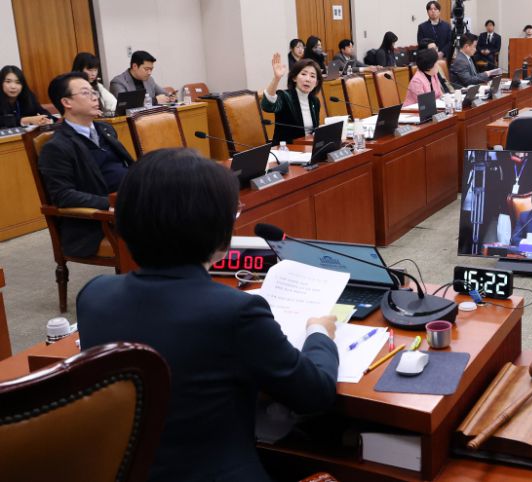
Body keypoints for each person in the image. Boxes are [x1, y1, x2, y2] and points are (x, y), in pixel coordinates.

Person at [77, 147, 339, 482]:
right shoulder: (235, 312)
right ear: (216, 228)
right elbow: (314, 394)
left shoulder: (94, 294)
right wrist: (319, 332)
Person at [38, 72, 134, 258]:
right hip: (101, 221)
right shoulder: (57, 147)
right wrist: (113, 203)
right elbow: (63, 195)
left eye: (94, 92)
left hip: (131, 201)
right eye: (85, 93)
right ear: (67, 102)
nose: (94, 97)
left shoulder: (105, 129)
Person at [261, 54, 321, 145]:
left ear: (316, 83)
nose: (308, 79)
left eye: (312, 76)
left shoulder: (315, 101)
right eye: (303, 74)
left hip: (308, 147)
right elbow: (267, 106)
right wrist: (276, 78)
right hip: (286, 149)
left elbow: (314, 131)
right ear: (294, 78)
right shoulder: (285, 96)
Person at [109, 50, 173, 104]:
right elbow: (126, 103)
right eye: (146, 69)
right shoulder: (118, 82)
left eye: (151, 69)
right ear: (134, 66)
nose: (149, 73)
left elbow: (164, 94)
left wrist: (170, 96)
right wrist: (154, 100)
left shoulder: (149, 79)